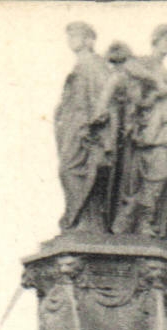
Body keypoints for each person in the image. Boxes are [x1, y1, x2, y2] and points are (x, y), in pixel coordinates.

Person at [109, 24, 167, 238]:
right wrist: (156, 83)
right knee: (154, 177)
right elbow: (129, 70)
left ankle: (136, 222)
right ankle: (134, 221)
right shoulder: (144, 64)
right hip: (150, 134)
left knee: (158, 179)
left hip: (166, 133)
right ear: (155, 39)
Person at [54, 22, 117, 232]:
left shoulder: (94, 64)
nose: (71, 38)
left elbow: (108, 90)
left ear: (89, 40)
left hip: (85, 129)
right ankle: (80, 218)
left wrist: (98, 115)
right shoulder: (80, 65)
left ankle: (84, 219)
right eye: (69, 35)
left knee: (71, 170)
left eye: (77, 35)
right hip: (71, 127)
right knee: (69, 169)